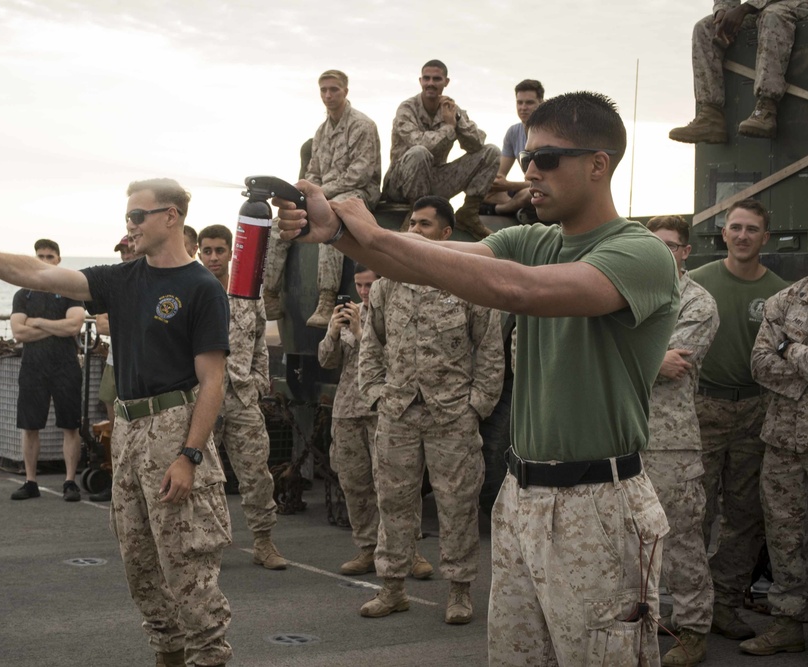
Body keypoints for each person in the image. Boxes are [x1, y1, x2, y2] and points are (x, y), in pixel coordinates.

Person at [275, 91, 679, 664]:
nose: (529, 171)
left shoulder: (638, 253)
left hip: (599, 502)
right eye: (528, 158)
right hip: (522, 493)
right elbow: (426, 266)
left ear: (598, 163)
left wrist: (377, 234)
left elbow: (519, 291)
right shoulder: (531, 239)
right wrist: (338, 234)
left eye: (548, 158)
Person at [0, 178, 233, 666]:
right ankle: (168, 657)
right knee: (140, 569)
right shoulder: (122, 279)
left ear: (171, 216)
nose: (129, 224)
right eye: (127, 216)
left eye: (138, 215)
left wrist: (190, 455)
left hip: (174, 428)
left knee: (189, 572)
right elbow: (39, 275)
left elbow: (213, 380)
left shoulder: (201, 288)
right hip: (130, 431)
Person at [357, 196, 504, 625]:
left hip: (452, 415)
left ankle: (459, 591)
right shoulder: (386, 285)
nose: (415, 231)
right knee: (393, 501)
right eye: (411, 224)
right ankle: (392, 587)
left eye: (424, 225)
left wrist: (476, 405)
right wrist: (376, 394)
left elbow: (490, 350)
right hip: (398, 412)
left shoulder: (467, 283)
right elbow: (371, 345)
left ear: (446, 233)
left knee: (458, 503)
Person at [688, 198, 789, 640]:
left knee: (745, 516)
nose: (743, 235)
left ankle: (724, 604)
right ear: (723, 234)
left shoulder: (782, 295)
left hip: (755, 410)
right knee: (694, 510)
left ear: (765, 238)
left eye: (752, 229)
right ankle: (690, 605)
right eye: (736, 228)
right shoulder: (696, 284)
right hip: (703, 408)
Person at [318, 262, 433, 579]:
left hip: (383, 410)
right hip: (347, 411)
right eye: (359, 285)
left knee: (397, 486)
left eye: (369, 285)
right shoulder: (348, 315)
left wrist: (360, 333)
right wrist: (332, 332)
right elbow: (327, 360)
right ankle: (367, 549)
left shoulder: (393, 317)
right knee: (355, 485)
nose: (364, 293)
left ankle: (410, 552)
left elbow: (399, 362)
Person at [643, 215, 720, 666]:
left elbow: (676, 364)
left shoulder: (697, 301)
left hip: (670, 440)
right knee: (626, 536)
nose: (663, 253)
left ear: (686, 251)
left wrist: (623, 356)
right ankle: (643, 617)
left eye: (671, 246)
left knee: (680, 538)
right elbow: (651, 359)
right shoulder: (628, 289)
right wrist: (650, 358)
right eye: (654, 246)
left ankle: (692, 629)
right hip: (621, 432)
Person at [197, 224, 287, 571]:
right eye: (208, 250)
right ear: (199, 253)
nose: (214, 257)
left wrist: (260, 380)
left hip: (241, 397)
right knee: (201, 475)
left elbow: (259, 340)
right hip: (201, 396)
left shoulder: (249, 293)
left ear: (232, 253)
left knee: (256, 473)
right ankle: (205, 545)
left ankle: (263, 542)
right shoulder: (191, 291)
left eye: (221, 250)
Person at [262, 69, 381, 327]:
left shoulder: (363, 125)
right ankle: (270, 294)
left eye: (334, 89)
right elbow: (313, 170)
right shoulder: (321, 132)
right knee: (277, 224)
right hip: (326, 193)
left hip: (357, 194)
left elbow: (360, 174)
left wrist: (321, 194)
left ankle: (327, 298)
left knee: (330, 219)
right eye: (323, 90)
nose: (328, 95)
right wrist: (302, 194)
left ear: (345, 92)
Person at [744, 276, 808, 656]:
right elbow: (760, 364)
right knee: (785, 536)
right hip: (786, 441)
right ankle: (788, 624)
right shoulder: (784, 300)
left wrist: (790, 348)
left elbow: (778, 354)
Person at [382, 59, 500, 239]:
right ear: (420, 81)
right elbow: (420, 144)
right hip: (401, 184)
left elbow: (476, 145)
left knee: (491, 151)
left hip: (434, 180)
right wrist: (449, 128)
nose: (430, 83)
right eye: (426, 78)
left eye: (436, 79)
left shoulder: (451, 109)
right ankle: (416, 214)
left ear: (446, 82)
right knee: (420, 152)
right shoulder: (407, 109)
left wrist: (457, 119)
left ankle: (468, 213)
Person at [9, 239, 86, 502]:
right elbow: (18, 332)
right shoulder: (23, 295)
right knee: (30, 427)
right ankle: (30, 482)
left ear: (58, 260)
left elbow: (73, 327)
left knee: (70, 426)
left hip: (65, 366)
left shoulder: (71, 293)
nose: (45, 260)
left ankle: (70, 482)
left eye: (50, 256)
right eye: (40, 256)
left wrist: (38, 322)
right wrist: (56, 326)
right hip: (33, 367)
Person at [669, 0, 808, 143]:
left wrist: (745, 8)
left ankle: (766, 109)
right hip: (760, 8)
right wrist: (723, 11)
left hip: (796, 4)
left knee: (772, 16)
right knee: (704, 28)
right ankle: (710, 117)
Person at [93, 234, 140, 503]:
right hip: (114, 363)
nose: (125, 255)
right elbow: (100, 324)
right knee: (115, 428)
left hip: (138, 366)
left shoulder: (148, 280)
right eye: (121, 251)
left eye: (128, 250)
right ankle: (116, 483)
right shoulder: (115, 284)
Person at [484, 79, 544, 222]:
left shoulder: (548, 133)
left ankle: (498, 209)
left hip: (541, 189)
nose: (523, 107)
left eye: (529, 103)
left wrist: (509, 185)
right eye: (519, 102)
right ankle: (515, 207)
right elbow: (500, 174)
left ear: (541, 103)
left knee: (528, 195)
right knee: (482, 189)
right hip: (522, 188)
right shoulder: (513, 132)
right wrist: (495, 185)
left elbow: (547, 183)